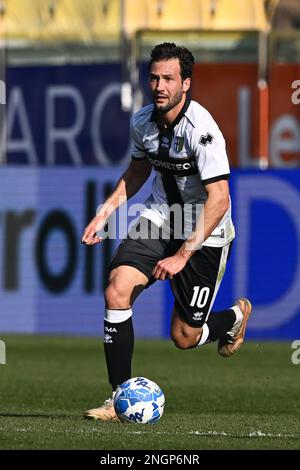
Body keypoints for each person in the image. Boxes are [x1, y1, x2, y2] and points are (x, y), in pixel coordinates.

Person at [81, 42, 252, 421]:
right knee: (117, 288)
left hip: (205, 233)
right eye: (154, 77)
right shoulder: (142, 121)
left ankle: (235, 317)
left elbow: (220, 200)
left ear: (186, 83)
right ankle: (117, 397)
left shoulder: (202, 131)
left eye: (168, 79)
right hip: (161, 217)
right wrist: (105, 212)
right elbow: (138, 171)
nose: (159, 85)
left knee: (184, 337)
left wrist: (183, 255)